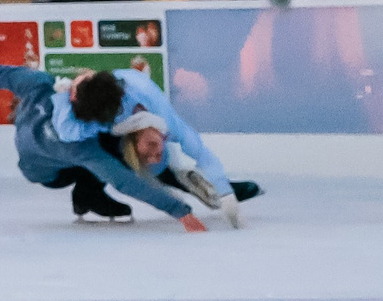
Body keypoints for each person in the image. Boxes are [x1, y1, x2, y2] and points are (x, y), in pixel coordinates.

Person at [0, 24, 203, 228]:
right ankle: (89, 194)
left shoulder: (37, 84)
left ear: (72, 93)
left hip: (34, 162)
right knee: (113, 147)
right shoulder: (83, 146)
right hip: (52, 172)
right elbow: (124, 181)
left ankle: (91, 194)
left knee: (108, 146)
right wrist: (181, 213)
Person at [54, 62, 257, 226]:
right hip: (109, 104)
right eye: (151, 151)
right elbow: (66, 132)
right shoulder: (105, 123)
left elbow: (200, 152)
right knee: (94, 146)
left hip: (125, 94)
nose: (153, 153)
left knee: (158, 162)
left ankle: (182, 178)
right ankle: (87, 194)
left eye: (150, 148)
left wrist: (226, 191)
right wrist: (66, 94)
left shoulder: (169, 122)